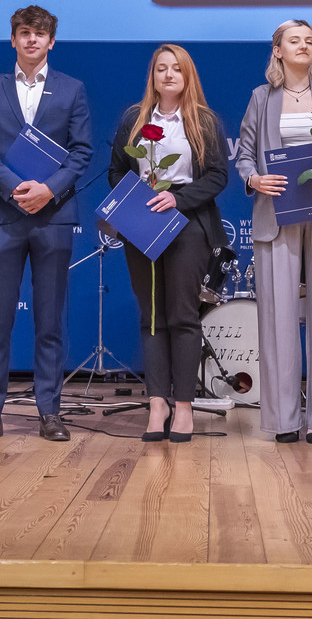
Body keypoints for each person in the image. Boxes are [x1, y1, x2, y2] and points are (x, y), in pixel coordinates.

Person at [0, 5, 93, 443]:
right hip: (3, 214)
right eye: (24, 32)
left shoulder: (72, 89)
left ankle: (50, 412)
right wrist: (16, 187)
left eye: (40, 33)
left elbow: (82, 151)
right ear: (13, 39)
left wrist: (48, 190)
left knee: (50, 320)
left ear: (51, 41)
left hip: (53, 216)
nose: (32, 39)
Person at [236, 20, 312, 444]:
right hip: (277, 213)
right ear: (278, 50)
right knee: (277, 319)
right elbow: (244, 154)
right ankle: (283, 420)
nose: (303, 46)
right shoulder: (261, 97)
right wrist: (254, 179)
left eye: (309, 41)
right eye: (294, 41)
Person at [109, 44, 231, 443]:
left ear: (187, 75)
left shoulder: (204, 121)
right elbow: (116, 171)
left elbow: (217, 176)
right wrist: (137, 198)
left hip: (187, 222)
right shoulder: (134, 118)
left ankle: (183, 405)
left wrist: (179, 198)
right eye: (161, 68)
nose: (168, 75)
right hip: (142, 221)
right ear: (153, 76)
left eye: (176, 68)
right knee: (151, 316)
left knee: (182, 316)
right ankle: (157, 402)